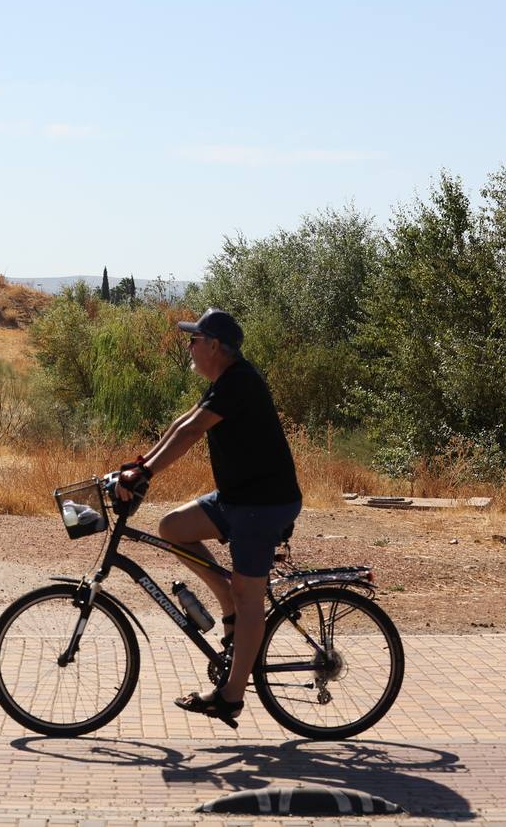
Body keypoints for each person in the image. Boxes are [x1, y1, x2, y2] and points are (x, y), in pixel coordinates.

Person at [114, 307, 302, 727]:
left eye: (194, 340)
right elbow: (183, 423)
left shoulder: (239, 382)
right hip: (237, 499)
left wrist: (145, 474)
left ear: (214, 346)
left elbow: (190, 433)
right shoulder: (225, 381)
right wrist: (141, 464)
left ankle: (231, 696)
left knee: (250, 596)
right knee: (172, 528)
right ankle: (227, 603)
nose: (189, 347)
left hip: (262, 505)